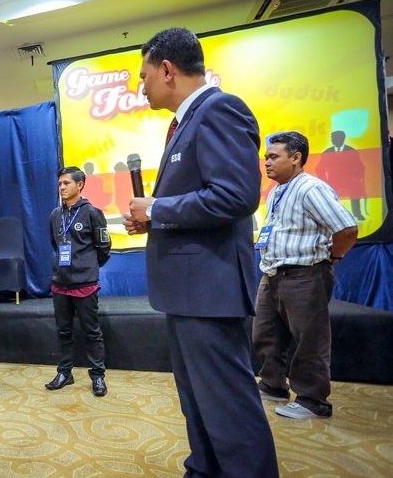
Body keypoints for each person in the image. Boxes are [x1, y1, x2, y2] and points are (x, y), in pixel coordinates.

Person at [124, 27, 278, 477]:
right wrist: (155, 217)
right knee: (199, 400)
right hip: (190, 292)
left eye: (144, 75)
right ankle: (205, 468)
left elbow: (235, 196)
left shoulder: (219, 109)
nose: (142, 86)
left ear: (167, 70)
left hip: (210, 290)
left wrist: (157, 209)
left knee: (228, 407)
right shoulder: (187, 121)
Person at [253, 131, 357, 419]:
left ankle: (313, 401)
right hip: (273, 273)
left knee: (309, 341)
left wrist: (333, 258)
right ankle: (273, 385)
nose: (266, 163)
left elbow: (347, 229)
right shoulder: (277, 191)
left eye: (273, 157)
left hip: (304, 274)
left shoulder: (311, 188)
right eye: (266, 157)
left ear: (296, 158)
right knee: (265, 334)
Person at [45, 166, 111, 396]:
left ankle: (98, 376)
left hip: (85, 283)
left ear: (80, 185)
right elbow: (55, 245)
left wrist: (87, 266)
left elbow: (104, 247)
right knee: (63, 331)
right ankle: (65, 372)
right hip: (60, 282)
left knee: (92, 331)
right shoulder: (55, 215)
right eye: (60, 184)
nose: (62, 187)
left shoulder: (92, 213)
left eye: (67, 183)